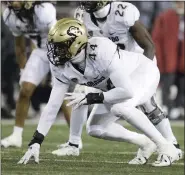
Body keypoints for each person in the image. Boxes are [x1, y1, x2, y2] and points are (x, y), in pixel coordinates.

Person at [18, 18, 180, 167]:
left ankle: (167, 147)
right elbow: (52, 105)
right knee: (96, 128)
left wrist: (92, 97)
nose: (54, 51)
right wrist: (36, 141)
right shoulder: (61, 66)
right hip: (115, 88)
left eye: (60, 46)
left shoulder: (100, 49)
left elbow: (127, 91)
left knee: (120, 108)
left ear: (75, 43)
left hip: (142, 72)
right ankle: (145, 143)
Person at [55, 1, 182, 164]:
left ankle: (171, 145)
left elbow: (149, 46)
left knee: (145, 104)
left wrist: (142, 76)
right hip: (108, 71)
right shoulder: (83, 17)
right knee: (95, 126)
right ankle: (75, 143)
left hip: (136, 65)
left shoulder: (122, 13)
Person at [1, 1, 71, 148]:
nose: (12, 2)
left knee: (61, 93)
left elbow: (57, 36)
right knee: (25, 90)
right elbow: (19, 45)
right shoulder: (9, 15)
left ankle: (74, 139)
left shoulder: (44, 10)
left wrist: (60, 62)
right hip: (39, 51)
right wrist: (22, 70)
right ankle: (16, 136)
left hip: (57, 49)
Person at [152, 1, 184, 119]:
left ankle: (179, 107)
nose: (180, 5)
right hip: (169, 59)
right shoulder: (165, 17)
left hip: (182, 61)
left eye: (182, 3)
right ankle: (166, 107)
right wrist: (159, 58)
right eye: (178, 2)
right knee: (167, 85)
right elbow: (156, 39)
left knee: (182, 85)